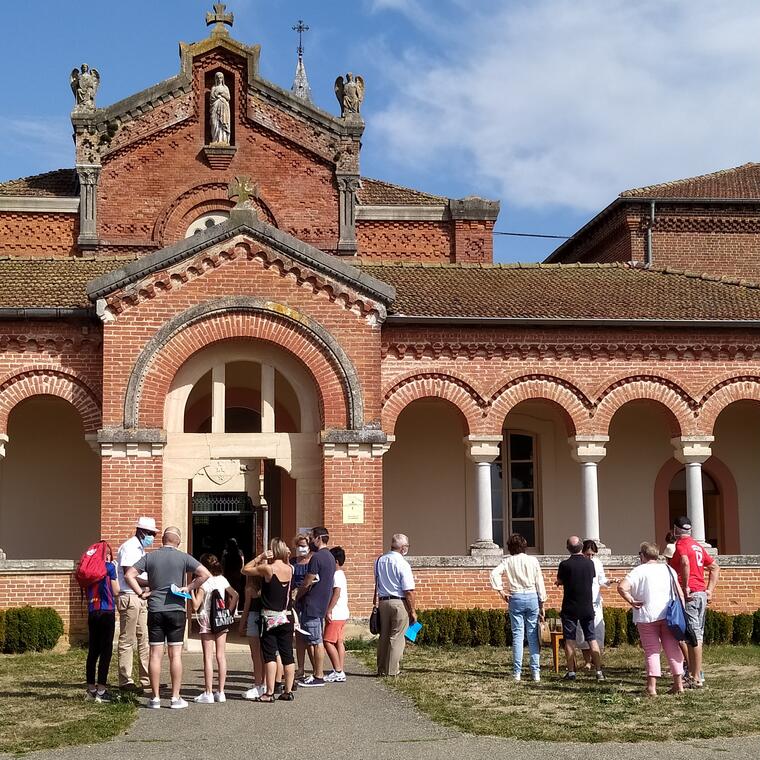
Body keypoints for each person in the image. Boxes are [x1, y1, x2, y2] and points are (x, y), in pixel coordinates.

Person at [125, 526, 211, 709]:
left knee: (155, 654)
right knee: (175, 655)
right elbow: (205, 574)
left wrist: (141, 593)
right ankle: (175, 697)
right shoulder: (183, 557)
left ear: (162, 539)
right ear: (178, 541)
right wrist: (188, 588)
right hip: (176, 610)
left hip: (155, 609)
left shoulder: (150, 557)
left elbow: (129, 574)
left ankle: (155, 698)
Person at [618, 541, 685, 696]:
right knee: (672, 648)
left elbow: (622, 587)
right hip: (668, 615)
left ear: (642, 555)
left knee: (651, 651)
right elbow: (679, 592)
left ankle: (652, 687)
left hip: (646, 615)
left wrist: (631, 600)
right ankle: (679, 684)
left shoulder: (638, 571)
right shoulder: (668, 569)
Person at [668, 516, 719, 688]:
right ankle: (693, 673)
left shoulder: (681, 544)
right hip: (701, 593)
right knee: (693, 634)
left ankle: (696, 677)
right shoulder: (697, 545)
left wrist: (686, 586)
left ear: (675, 529)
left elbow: (684, 562)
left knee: (694, 635)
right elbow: (714, 567)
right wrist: (709, 590)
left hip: (691, 594)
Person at [242, 539, 296, 702]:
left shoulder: (268, 569)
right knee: (287, 654)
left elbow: (245, 570)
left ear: (272, 550)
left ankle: (269, 692)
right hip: (286, 616)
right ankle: (287, 690)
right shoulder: (290, 569)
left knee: (270, 654)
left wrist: (260, 556)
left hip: (270, 617)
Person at [489, 533, 547, 682]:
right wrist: (542, 603)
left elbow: (494, 573)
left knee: (518, 635)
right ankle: (535, 672)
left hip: (516, 597)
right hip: (532, 596)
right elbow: (539, 582)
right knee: (533, 636)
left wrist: (501, 591)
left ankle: (517, 672)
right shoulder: (533, 561)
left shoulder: (508, 561)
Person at [190, 553, 239, 704]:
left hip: (206, 619)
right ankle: (221, 691)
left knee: (208, 657)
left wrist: (191, 589)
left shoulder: (203, 582)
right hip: (220, 619)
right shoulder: (222, 580)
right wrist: (228, 612)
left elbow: (196, 605)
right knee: (221, 656)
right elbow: (235, 595)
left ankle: (208, 692)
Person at [116, 516, 156, 691]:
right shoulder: (129, 547)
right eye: (150, 533)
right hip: (130, 595)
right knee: (127, 639)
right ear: (141, 531)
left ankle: (146, 680)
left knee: (143, 638)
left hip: (140, 597)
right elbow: (129, 574)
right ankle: (126, 680)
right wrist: (150, 584)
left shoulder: (140, 549)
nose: (152, 537)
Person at [556, 535, 604, 681]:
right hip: (587, 606)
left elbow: (561, 580)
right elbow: (590, 578)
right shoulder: (590, 564)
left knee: (569, 640)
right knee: (592, 638)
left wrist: (560, 582)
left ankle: (571, 672)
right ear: (581, 547)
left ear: (567, 548)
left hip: (570, 606)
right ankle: (599, 671)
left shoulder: (565, 565)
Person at [294, 527, 336, 687]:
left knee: (315, 641)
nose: (310, 541)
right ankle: (315, 673)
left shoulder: (317, 558)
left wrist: (297, 595)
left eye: (311, 537)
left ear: (318, 538)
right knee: (311, 639)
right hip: (321, 603)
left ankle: (318, 675)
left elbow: (308, 581)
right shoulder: (330, 557)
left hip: (312, 603)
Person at [375, 533, 417, 677]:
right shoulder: (403, 563)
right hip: (399, 601)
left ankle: (381, 668)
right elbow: (409, 590)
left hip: (383, 601)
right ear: (403, 548)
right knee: (397, 637)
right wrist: (412, 610)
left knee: (384, 636)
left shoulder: (380, 560)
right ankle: (392, 670)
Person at [85, 546, 120, 702]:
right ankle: (101, 690)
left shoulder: (88, 570)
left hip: (92, 611)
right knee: (106, 651)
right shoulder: (109, 567)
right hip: (107, 611)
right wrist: (115, 572)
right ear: (106, 555)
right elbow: (116, 590)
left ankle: (91, 689)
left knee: (93, 651)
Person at [576, 540, 615, 668]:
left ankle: (595, 659)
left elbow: (601, 579)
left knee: (597, 630)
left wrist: (609, 581)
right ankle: (587, 660)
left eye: (593, 554)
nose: (590, 557)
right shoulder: (579, 563)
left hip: (595, 601)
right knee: (582, 631)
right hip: (582, 600)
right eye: (588, 554)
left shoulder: (597, 563)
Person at [324, 547, 350, 683]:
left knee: (327, 641)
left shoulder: (336, 575)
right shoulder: (341, 574)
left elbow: (337, 593)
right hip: (343, 613)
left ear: (335, 561)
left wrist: (328, 610)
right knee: (339, 641)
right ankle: (339, 668)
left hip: (336, 613)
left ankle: (338, 671)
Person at [239, 573, 266, 700]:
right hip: (266, 617)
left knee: (255, 655)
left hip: (254, 617)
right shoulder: (268, 586)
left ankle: (258, 684)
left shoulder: (250, 589)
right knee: (265, 654)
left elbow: (246, 607)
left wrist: (241, 624)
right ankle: (265, 683)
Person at [290, 533, 312, 683]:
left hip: (308, 600)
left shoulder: (313, 561)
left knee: (310, 636)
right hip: (294, 602)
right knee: (298, 636)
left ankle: (316, 669)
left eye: (303, 545)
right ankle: (301, 668)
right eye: (299, 545)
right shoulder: (292, 561)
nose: (301, 548)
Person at [209, 71, 231, 145]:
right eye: (218, 78)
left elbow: (228, 97)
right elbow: (211, 98)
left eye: (221, 77)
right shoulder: (214, 88)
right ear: (216, 79)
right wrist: (217, 96)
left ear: (223, 79)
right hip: (215, 107)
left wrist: (222, 94)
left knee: (223, 123)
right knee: (214, 123)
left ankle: (223, 140)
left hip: (224, 107)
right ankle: (215, 139)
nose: (219, 79)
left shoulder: (225, 88)